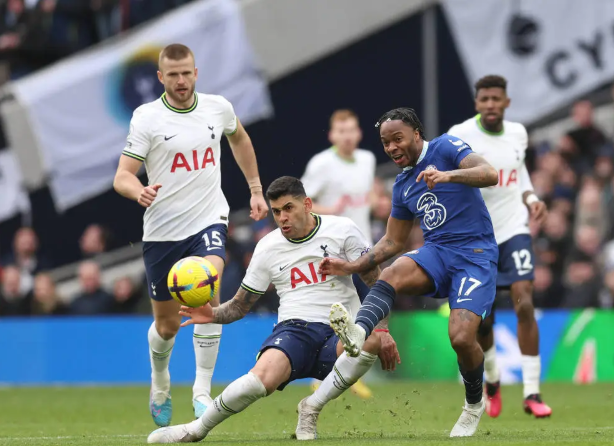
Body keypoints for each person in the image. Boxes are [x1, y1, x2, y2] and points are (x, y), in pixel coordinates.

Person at [146, 176, 400, 444]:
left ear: (307, 204)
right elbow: (240, 306)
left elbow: (376, 284)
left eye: (288, 208)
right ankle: (196, 429)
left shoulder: (343, 229)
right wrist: (213, 314)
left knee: (370, 338)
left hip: (341, 332)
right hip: (295, 330)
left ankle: (311, 406)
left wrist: (383, 329)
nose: (282, 218)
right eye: (277, 212)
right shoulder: (267, 247)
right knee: (257, 381)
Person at [113, 43, 268, 427]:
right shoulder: (147, 118)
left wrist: (255, 189)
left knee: (207, 289)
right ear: (161, 77)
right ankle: (160, 380)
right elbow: (122, 176)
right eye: (173, 74)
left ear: (196, 73)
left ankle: (201, 389)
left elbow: (240, 138)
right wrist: (139, 191)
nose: (181, 80)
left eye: (187, 73)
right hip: (163, 232)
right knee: (167, 327)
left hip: (208, 220)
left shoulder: (217, 107)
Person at [320, 107, 499, 437]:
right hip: (437, 252)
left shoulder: (446, 147)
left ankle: (474, 405)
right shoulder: (403, 185)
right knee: (392, 272)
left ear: (417, 134)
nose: (391, 147)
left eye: (397, 139)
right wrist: (354, 265)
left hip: (475, 255)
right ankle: (359, 332)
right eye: (385, 143)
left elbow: (490, 174)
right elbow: (392, 241)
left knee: (461, 338)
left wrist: (448, 176)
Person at [448, 75, 551, 418]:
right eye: (485, 99)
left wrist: (531, 198)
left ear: (506, 102)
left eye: (496, 99)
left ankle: (532, 392)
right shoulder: (460, 134)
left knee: (524, 301)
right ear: (477, 103)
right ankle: (492, 380)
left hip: (514, 229)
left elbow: (519, 172)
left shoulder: (518, 133)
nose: (491, 104)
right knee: (484, 320)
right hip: (477, 236)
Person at [301, 108, 382, 399]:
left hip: (363, 249)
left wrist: (378, 200)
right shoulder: (321, 164)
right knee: (336, 315)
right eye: (341, 131)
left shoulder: (367, 159)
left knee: (363, 314)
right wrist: (331, 209)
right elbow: (302, 202)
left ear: (359, 133)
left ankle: (349, 372)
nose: (347, 136)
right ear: (332, 135)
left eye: (351, 130)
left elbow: (369, 193)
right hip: (331, 250)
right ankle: (324, 376)